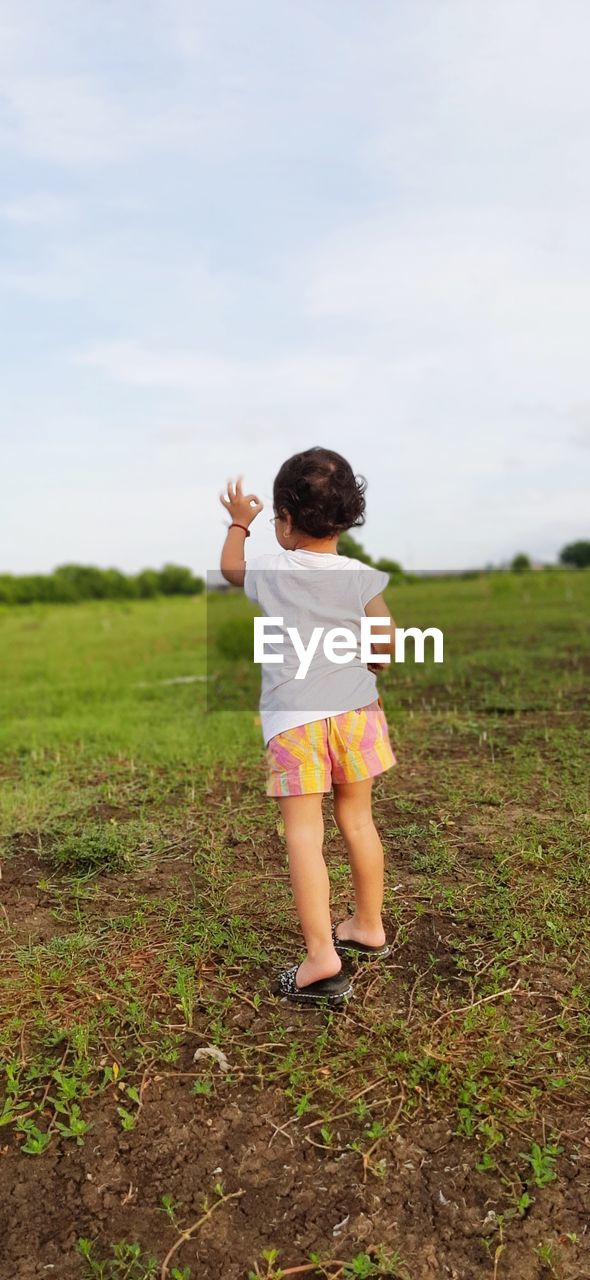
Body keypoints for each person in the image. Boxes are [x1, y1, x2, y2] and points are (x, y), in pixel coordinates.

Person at [219, 447, 396, 1006]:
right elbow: (385, 647)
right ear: (346, 516)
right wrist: (370, 664)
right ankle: (368, 925)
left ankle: (322, 957)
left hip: (295, 721)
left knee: (304, 835)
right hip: (357, 714)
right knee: (359, 821)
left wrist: (237, 525)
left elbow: (230, 571)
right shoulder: (360, 578)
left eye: (274, 518)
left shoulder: (271, 569)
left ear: (287, 521)